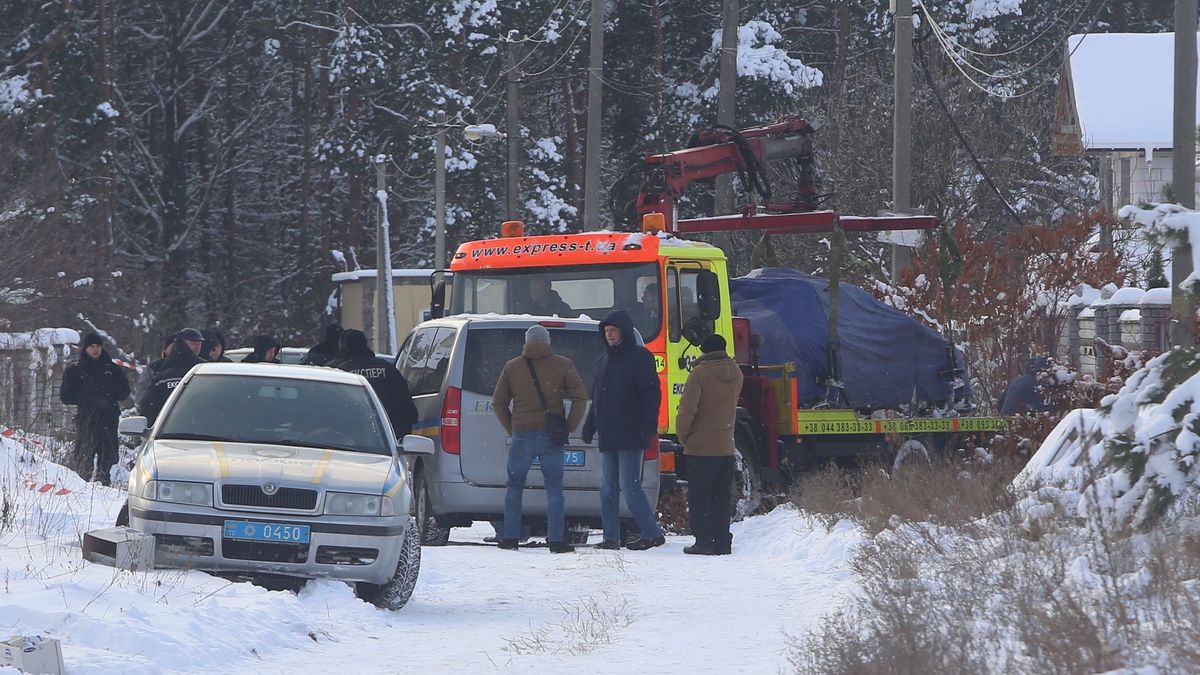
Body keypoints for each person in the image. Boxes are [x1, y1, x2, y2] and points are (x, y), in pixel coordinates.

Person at [491, 325, 588, 552]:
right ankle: (556, 540)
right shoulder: (563, 364)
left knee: (515, 486)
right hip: (551, 435)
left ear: (526, 342)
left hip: (522, 434)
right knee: (554, 487)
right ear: (547, 341)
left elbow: (498, 402)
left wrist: (512, 427)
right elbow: (580, 398)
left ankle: (511, 537)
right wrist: (569, 427)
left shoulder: (512, 367)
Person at [581, 309, 666, 551]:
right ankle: (611, 537)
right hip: (609, 433)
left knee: (629, 485)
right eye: (606, 331)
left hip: (631, 432)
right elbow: (597, 398)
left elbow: (651, 395)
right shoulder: (603, 361)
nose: (609, 335)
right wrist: (590, 426)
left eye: (613, 330)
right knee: (607, 487)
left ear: (624, 332)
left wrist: (648, 426)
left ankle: (652, 533)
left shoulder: (640, 357)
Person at [675, 334, 743, 555]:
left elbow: (687, 410)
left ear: (704, 351)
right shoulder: (736, 373)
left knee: (699, 497)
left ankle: (704, 542)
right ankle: (723, 542)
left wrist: (684, 436)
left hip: (701, 447)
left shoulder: (700, 374)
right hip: (726, 446)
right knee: (721, 497)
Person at [59, 333, 131, 485]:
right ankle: (82, 489)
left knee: (107, 460)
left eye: (98, 346)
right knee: (84, 461)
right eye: (92, 346)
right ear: (85, 348)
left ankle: (104, 486)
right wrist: (86, 397)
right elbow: (65, 396)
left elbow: (124, 391)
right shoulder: (76, 370)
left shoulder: (112, 369)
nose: (95, 349)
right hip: (87, 420)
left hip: (108, 419)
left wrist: (110, 394)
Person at [335, 329, 419, 437]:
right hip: (388, 432)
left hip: (351, 435)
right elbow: (405, 405)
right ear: (365, 343)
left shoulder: (342, 372)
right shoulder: (388, 369)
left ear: (345, 346)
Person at [140, 329, 206, 425]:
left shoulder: (206, 369)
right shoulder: (160, 371)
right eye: (193, 343)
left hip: (199, 427)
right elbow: (148, 406)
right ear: (182, 343)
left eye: (199, 344)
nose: (197, 347)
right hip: (171, 429)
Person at [135, 333, 176, 415]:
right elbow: (143, 388)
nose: (176, 349)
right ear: (165, 348)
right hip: (157, 412)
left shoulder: (190, 366)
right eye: (173, 347)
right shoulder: (154, 367)